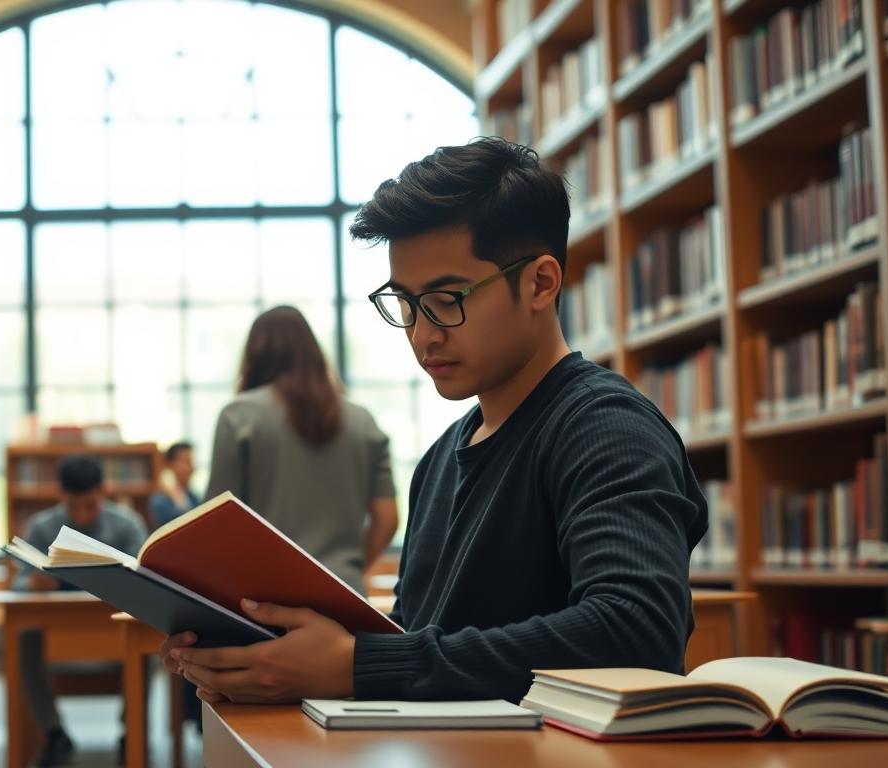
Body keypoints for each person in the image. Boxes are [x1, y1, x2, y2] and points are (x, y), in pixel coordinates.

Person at [160, 137, 708, 706]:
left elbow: (637, 632)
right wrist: (266, 656)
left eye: (448, 299)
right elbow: (419, 644)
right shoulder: (442, 457)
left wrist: (359, 665)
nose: (423, 334)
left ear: (541, 283)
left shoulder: (605, 427)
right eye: (405, 303)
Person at [205, 305, 400, 593]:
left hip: (263, 599)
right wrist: (348, 567)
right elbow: (387, 518)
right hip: (345, 595)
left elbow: (216, 523)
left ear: (254, 356)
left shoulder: (238, 416)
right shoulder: (363, 421)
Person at [14, 456, 147, 767]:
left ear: (104, 490)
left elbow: (145, 577)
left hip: (115, 623)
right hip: (56, 625)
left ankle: (133, 733)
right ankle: (53, 732)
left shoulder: (128, 524)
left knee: (145, 640)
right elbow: (19, 579)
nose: (82, 515)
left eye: (90, 505)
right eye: (73, 506)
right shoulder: (42, 526)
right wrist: (31, 583)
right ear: (61, 495)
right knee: (25, 636)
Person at [147, 441, 200, 528]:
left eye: (192, 462)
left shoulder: (194, 497)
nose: (192, 468)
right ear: (170, 464)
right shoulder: (159, 500)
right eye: (187, 462)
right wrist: (176, 496)